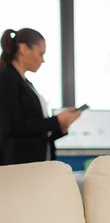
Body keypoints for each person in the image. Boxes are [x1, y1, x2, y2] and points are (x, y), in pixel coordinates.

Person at [0, 28, 80, 165]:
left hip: (35, 164)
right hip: (19, 167)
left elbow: (35, 132)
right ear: (24, 49)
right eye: (41, 54)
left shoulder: (26, 83)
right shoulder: (7, 80)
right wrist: (56, 121)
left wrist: (60, 127)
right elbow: (13, 126)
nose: (42, 60)